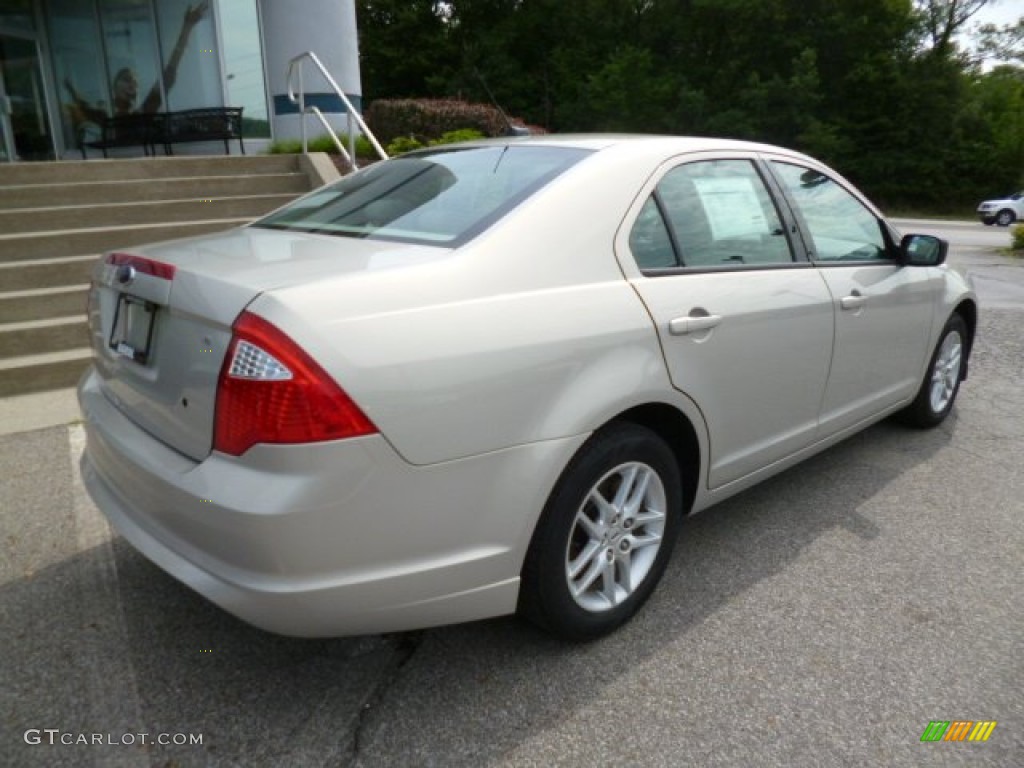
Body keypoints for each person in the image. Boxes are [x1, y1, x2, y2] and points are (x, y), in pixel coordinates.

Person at [64, 1, 209, 125]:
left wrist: (187, 27)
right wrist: (69, 88)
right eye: (127, 79)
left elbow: (168, 75)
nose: (132, 85)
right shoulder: (104, 116)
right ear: (114, 86)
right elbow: (82, 105)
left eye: (135, 83)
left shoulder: (143, 114)